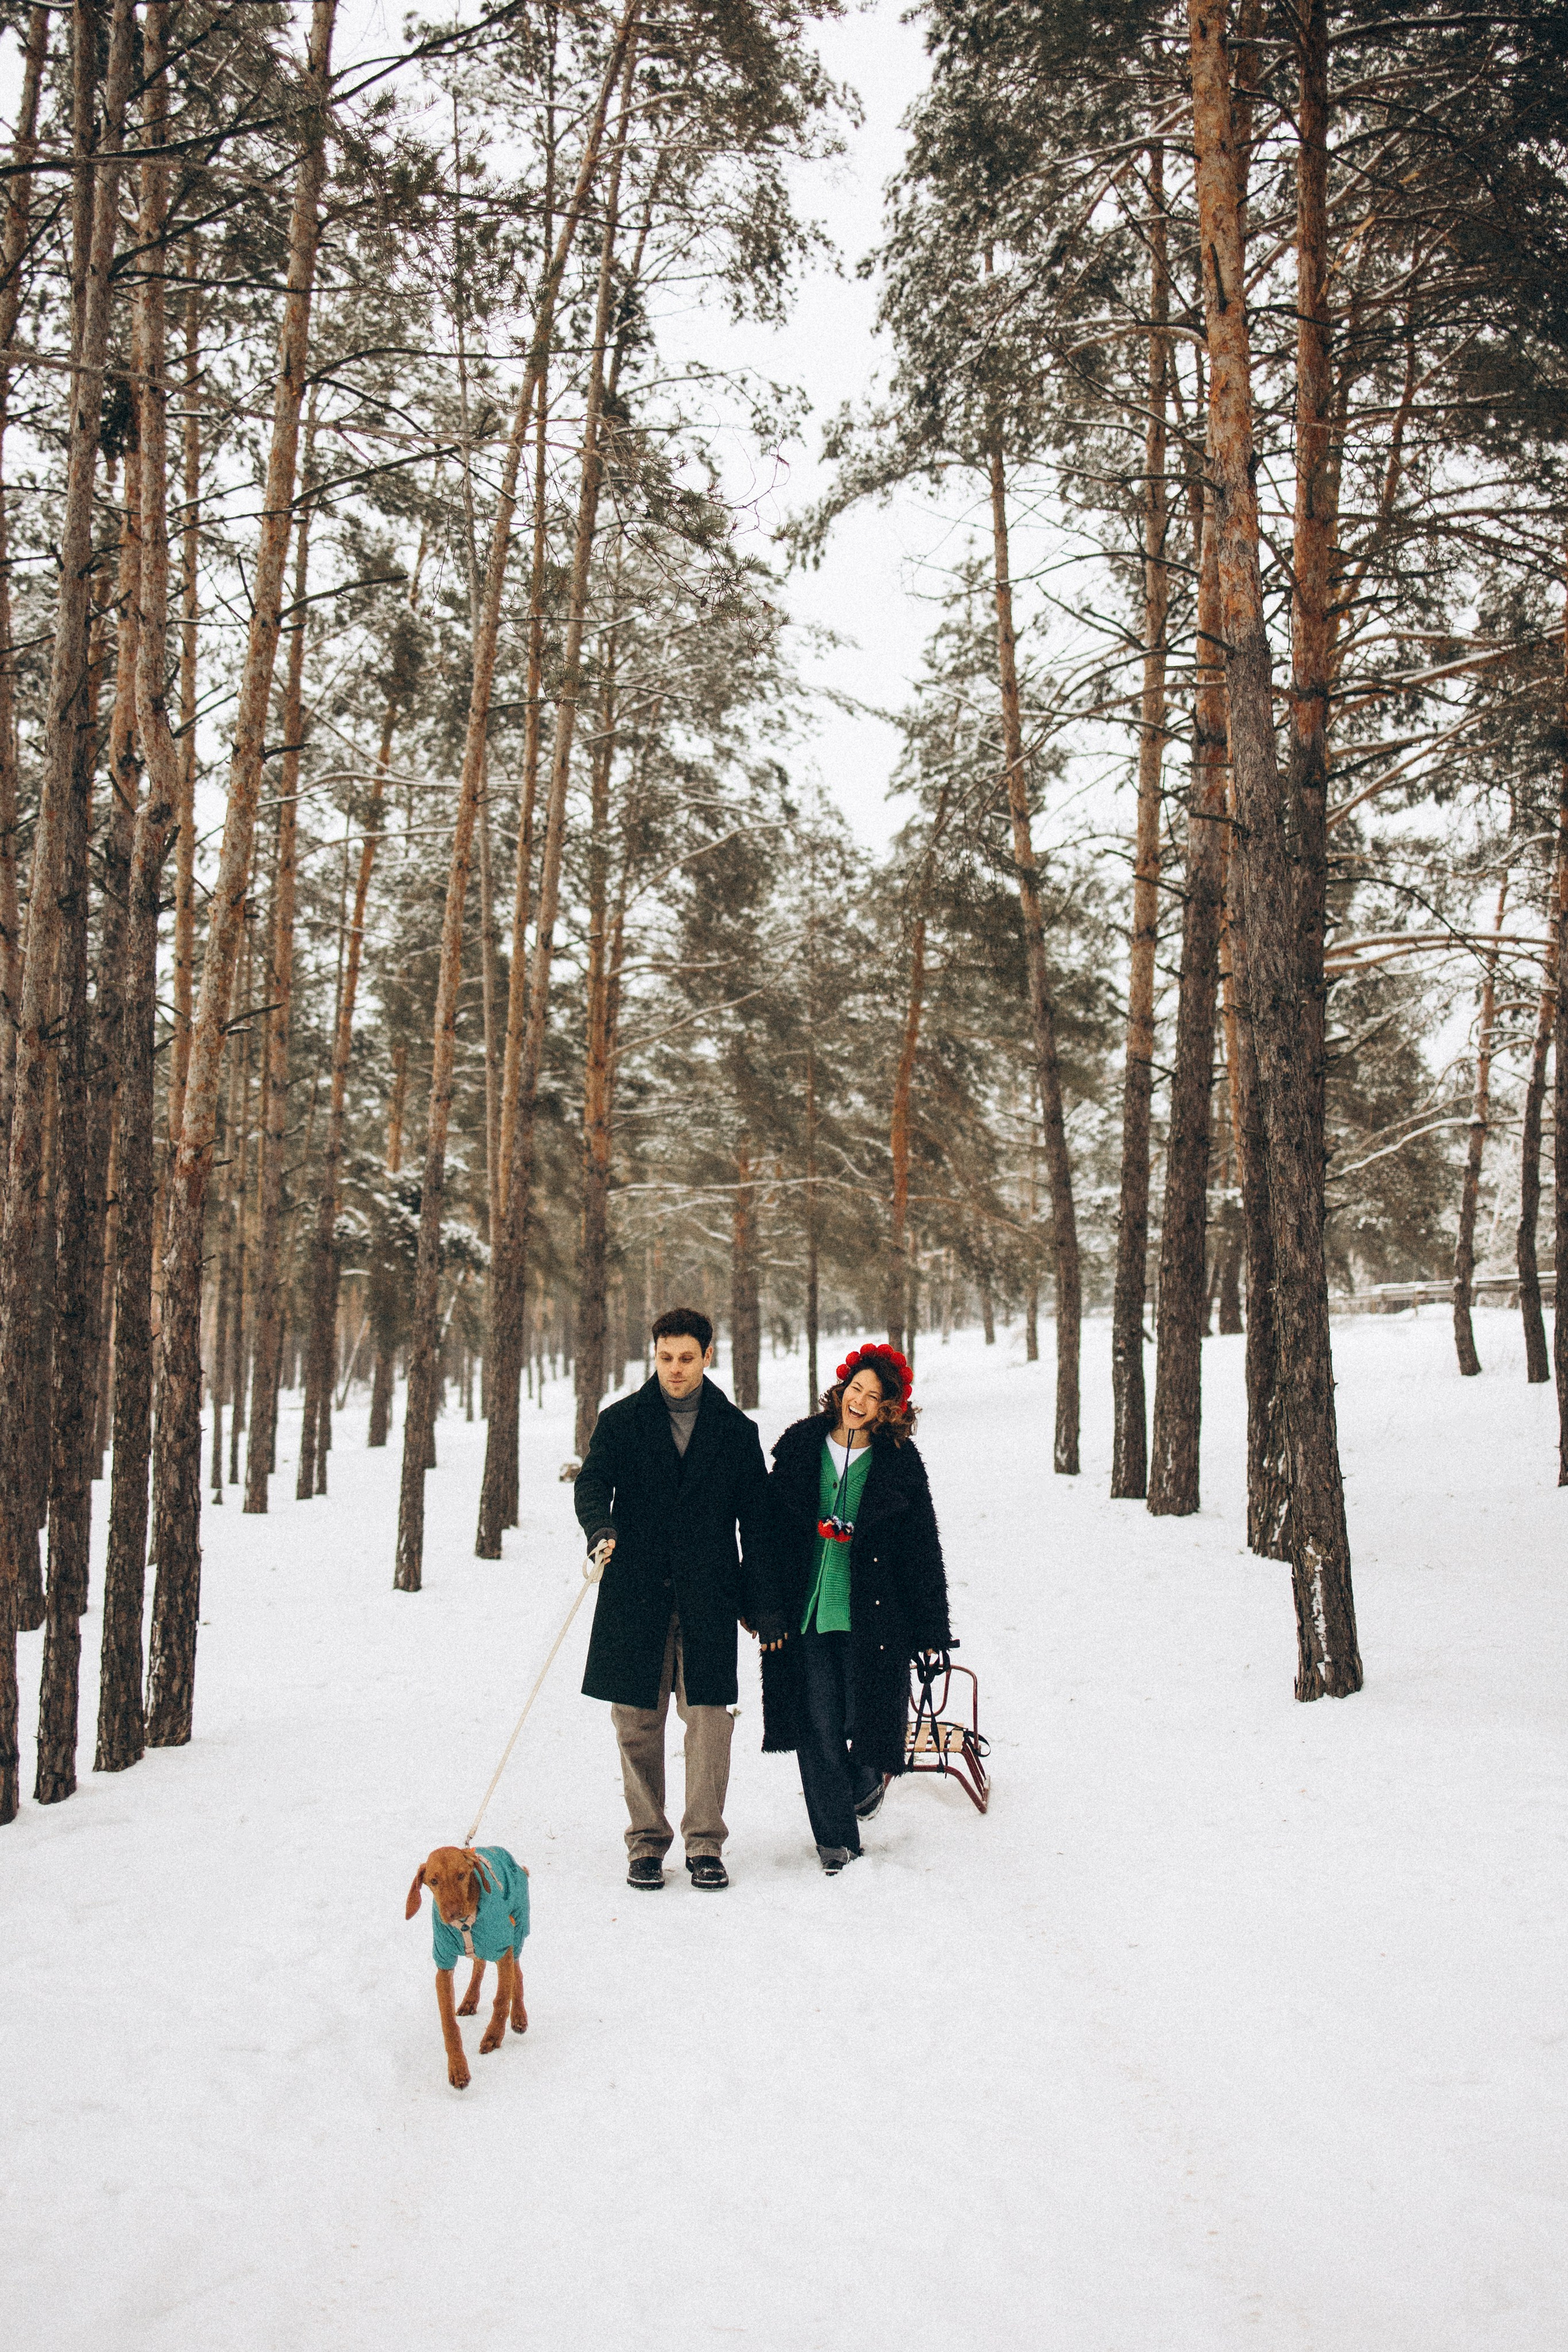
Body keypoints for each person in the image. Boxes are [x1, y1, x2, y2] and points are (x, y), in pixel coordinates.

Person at [575, 1306, 785, 1893]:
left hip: (709, 1595)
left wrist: (762, 1604)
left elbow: (758, 1525)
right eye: (665, 1357)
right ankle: (646, 1842)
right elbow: (593, 1484)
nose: (674, 1369)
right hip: (634, 1593)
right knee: (637, 1722)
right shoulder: (620, 1422)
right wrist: (601, 1528)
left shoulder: (736, 1432)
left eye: (686, 1358)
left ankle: (704, 1844)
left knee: (709, 1721)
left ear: (707, 1357)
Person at [760, 1344, 953, 1874]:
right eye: (855, 1389)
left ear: (889, 1408)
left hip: (873, 1616)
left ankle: (868, 1781)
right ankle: (836, 1843)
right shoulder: (802, 1447)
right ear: (841, 1390)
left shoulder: (899, 1462)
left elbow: (921, 1547)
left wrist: (931, 1628)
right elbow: (768, 1534)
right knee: (816, 1724)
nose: (860, 1401)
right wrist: (766, 1604)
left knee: (867, 1721)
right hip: (809, 1614)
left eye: (874, 1396)